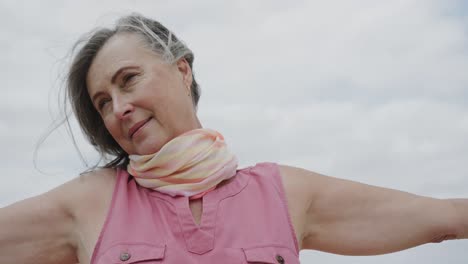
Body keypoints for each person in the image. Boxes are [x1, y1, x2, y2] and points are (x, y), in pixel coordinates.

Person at [0, 13, 466, 264]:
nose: (118, 108)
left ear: (182, 71)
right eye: (102, 102)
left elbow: (446, 217)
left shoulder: (284, 193)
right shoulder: (91, 202)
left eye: (128, 79)